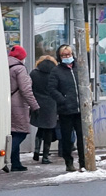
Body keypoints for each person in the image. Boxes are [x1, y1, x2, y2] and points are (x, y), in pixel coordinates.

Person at [51, 44, 86, 172]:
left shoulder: (79, 68)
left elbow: (85, 84)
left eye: (69, 54)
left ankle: (83, 162)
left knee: (82, 137)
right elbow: (52, 89)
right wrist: (63, 100)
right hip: (66, 110)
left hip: (80, 109)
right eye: (64, 55)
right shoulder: (56, 71)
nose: (67, 57)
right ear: (59, 57)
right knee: (67, 138)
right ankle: (69, 162)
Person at [7, 46, 38, 171]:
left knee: (13, 132)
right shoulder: (19, 69)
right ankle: (6, 158)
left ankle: (16, 163)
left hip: (7, 103)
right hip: (18, 105)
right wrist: (35, 106)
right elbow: (26, 90)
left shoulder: (5, 65)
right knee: (21, 132)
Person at [30, 55, 62, 163]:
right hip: (51, 105)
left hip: (38, 104)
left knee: (40, 128)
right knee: (48, 130)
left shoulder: (34, 73)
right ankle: (45, 156)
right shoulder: (56, 74)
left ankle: (36, 151)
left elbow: (30, 88)